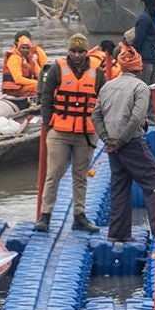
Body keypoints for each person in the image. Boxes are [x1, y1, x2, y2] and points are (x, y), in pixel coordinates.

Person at [34, 35, 104, 234]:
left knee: (80, 176)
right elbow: (46, 98)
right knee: (53, 174)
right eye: (73, 51)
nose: (77, 55)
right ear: (69, 51)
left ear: (86, 52)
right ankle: (45, 216)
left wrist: (98, 129)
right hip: (60, 131)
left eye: (81, 51)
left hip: (86, 133)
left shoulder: (98, 73)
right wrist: (49, 126)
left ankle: (79, 216)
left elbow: (103, 102)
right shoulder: (58, 69)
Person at [93, 62, 155, 244]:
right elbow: (136, 118)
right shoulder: (140, 87)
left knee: (120, 186)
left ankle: (118, 232)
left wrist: (107, 139)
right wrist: (121, 141)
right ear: (139, 70)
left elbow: (96, 115)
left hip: (112, 144)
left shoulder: (107, 86)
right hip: (130, 143)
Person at [0, 32, 43, 103]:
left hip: (23, 87)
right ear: (18, 47)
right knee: (37, 86)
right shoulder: (14, 58)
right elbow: (18, 79)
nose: (25, 50)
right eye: (23, 48)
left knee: (44, 84)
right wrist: (36, 82)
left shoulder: (30, 59)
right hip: (13, 90)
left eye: (28, 48)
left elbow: (40, 74)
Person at [130, 0, 155, 83]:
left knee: (152, 86)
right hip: (145, 60)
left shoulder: (152, 19)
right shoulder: (144, 19)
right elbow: (138, 40)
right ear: (153, 6)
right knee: (145, 85)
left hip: (152, 59)